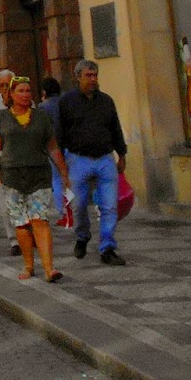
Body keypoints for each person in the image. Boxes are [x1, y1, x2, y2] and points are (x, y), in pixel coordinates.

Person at [0, 75, 71, 283]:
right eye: (20, 91)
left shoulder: (41, 117)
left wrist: (63, 172)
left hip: (39, 176)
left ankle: (49, 268)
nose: (25, 95)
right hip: (12, 177)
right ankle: (28, 265)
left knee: (40, 220)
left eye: (28, 91)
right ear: (11, 94)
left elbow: (52, 147)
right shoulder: (2, 117)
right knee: (22, 224)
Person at [57, 60, 128, 265]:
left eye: (95, 75)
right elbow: (59, 134)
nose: (93, 79)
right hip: (78, 159)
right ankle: (82, 236)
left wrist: (122, 154)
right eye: (88, 75)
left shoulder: (106, 101)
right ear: (78, 77)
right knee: (79, 205)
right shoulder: (67, 102)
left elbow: (115, 128)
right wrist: (61, 165)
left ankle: (107, 247)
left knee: (109, 206)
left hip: (105, 158)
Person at [39, 77, 70, 224]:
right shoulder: (67, 102)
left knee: (57, 181)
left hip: (54, 148)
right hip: (71, 146)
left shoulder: (43, 107)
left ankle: (63, 212)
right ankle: (75, 209)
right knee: (72, 179)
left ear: (45, 91)